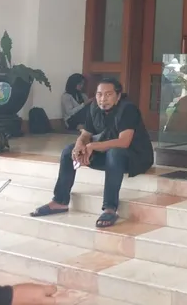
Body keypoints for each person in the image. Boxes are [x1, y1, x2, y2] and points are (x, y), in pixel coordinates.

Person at [30, 78, 154, 227]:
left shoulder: (128, 109)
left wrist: (93, 146)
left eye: (108, 94)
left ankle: (110, 208)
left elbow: (124, 142)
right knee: (68, 151)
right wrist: (79, 145)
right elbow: (86, 133)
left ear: (118, 96)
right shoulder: (94, 107)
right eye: (99, 94)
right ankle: (60, 201)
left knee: (114, 153)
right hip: (108, 155)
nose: (103, 99)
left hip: (135, 157)